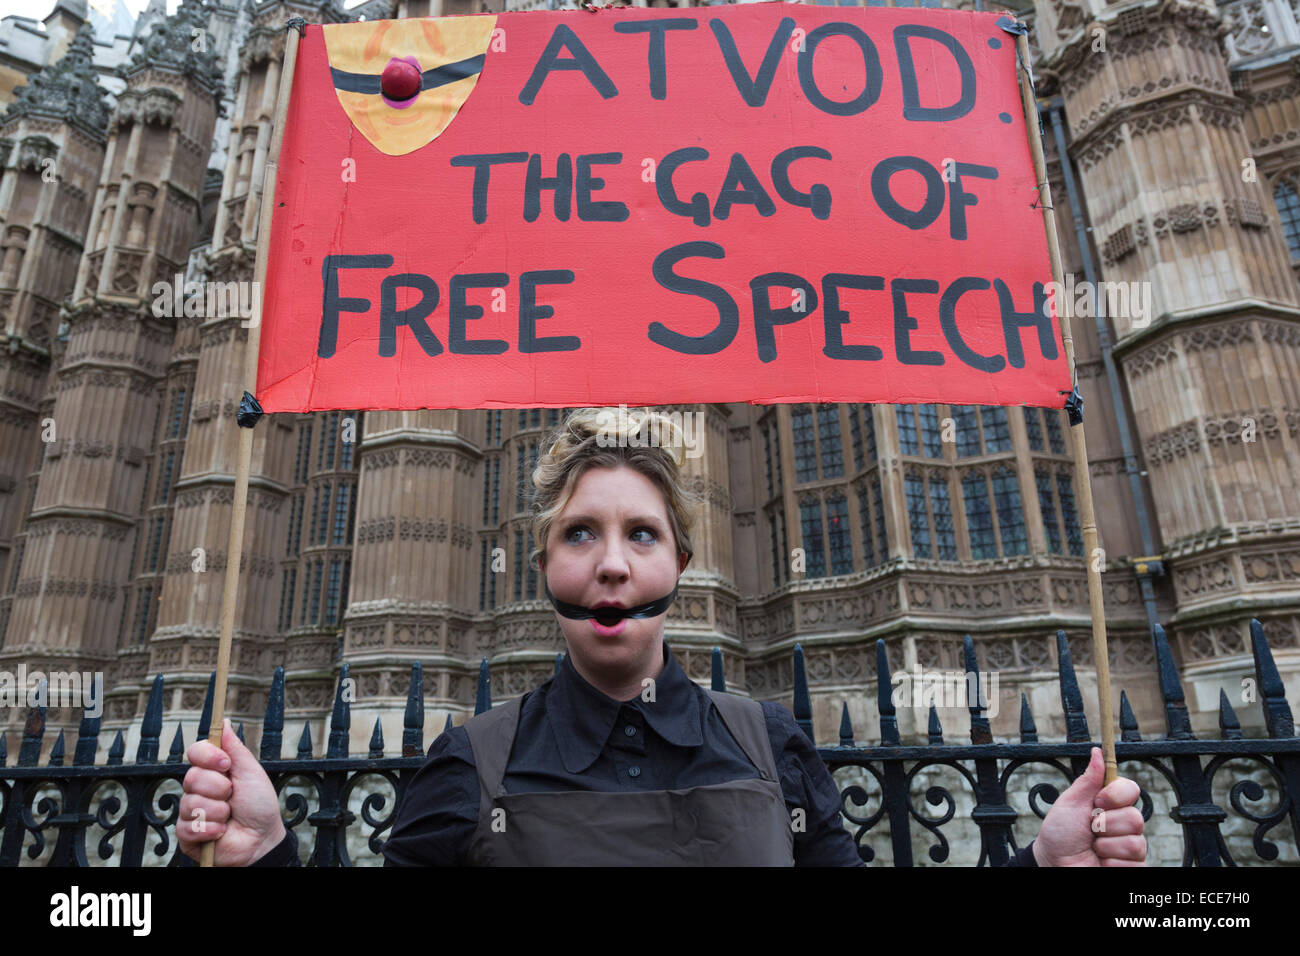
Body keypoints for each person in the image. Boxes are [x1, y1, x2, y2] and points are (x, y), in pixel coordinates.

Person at [179, 407, 1147, 867]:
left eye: (640, 534)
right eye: (578, 534)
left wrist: (1043, 865)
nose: (611, 566)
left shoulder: (773, 748)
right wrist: (266, 848)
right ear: (543, 565)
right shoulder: (467, 767)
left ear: (680, 560)